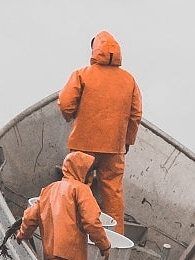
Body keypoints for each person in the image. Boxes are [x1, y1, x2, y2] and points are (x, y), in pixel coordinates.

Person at [57, 31, 142, 235]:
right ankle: (114, 239)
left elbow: (66, 103)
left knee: (75, 189)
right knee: (113, 196)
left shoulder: (82, 74)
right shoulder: (129, 80)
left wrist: (71, 116)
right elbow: (136, 114)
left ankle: (70, 233)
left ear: (95, 50)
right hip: (114, 149)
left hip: (82, 145)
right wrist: (127, 141)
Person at [16, 151, 111, 260]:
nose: (92, 175)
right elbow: (91, 222)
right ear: (82, 171)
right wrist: (104, 245)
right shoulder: (81, 189)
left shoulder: (48, 190)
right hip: (71, 255)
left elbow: (30, 217)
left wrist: (21, 235)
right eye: (90, 171)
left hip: (50, 256)